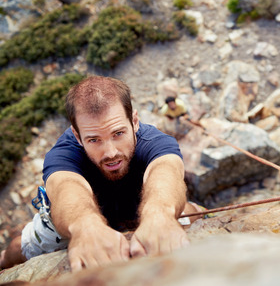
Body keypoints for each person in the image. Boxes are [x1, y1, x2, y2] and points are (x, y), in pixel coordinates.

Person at [0, 76, 201, 271]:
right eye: (94, 140)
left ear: (135, 121)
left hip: (139, 209)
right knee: (18, 248)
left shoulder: (155, 141)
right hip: (82, 219)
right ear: (77, 135)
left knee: (194, 213)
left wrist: (160, 213)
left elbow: (166, 170)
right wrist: (84, 226)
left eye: (118, 134)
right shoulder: (63, 153)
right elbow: (65, 187)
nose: (111, 152)